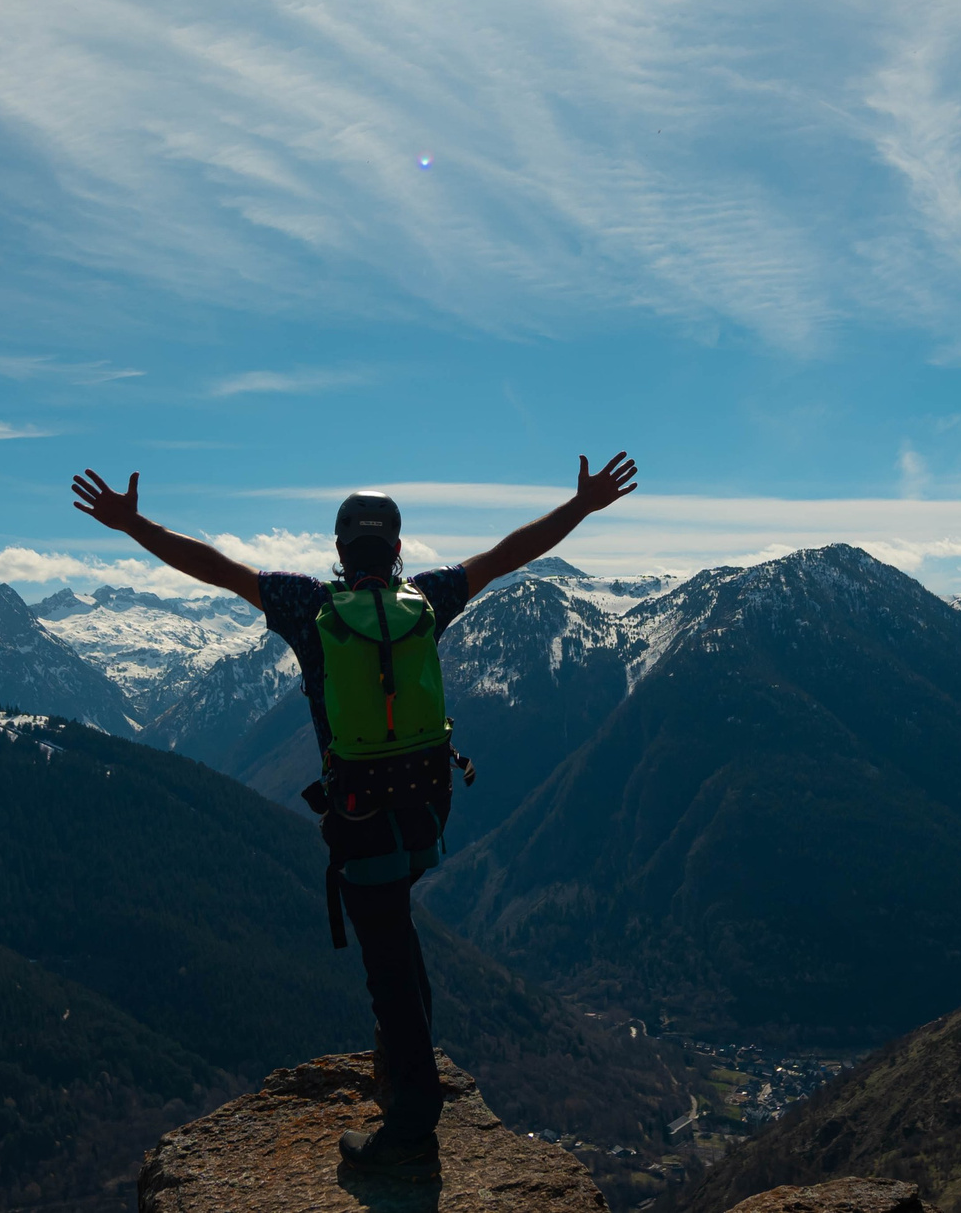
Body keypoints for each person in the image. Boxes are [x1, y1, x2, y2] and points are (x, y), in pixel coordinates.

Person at [71, 453, 639, 1179]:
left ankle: (408, 1124)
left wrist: (133, 524)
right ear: (398, 550)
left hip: (361, 816)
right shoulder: (428, 598)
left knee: (386, 967)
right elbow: (507, 554)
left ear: (340, 552)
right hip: (427, 809)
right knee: (398, 933)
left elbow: (216, 567)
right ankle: (411, 1074)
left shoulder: (309, 607)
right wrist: (581, 504)